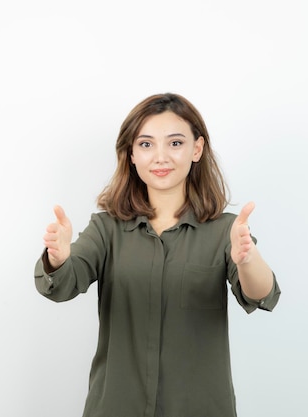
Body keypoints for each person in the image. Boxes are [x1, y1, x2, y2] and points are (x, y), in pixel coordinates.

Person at [34, 92, 281, 417]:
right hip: (116, 408)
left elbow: (261, 295)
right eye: (146, 144)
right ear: (131, 154)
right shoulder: (106, 228)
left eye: (175, 143)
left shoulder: (226, 231)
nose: (160, 157)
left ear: (197, 149)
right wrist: (58, 257)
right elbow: (62, 284)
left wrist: (247, 260)